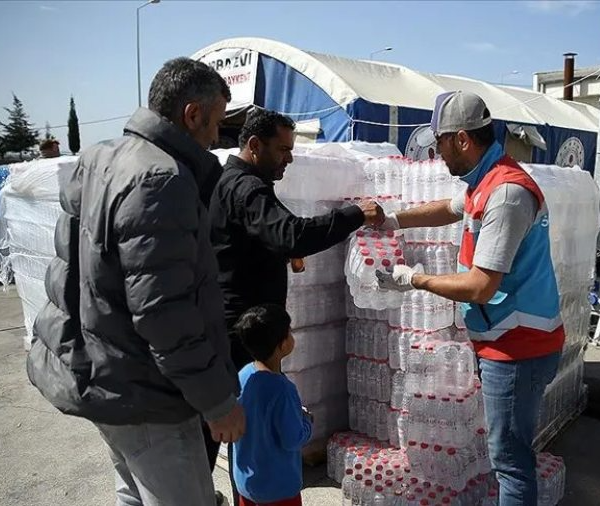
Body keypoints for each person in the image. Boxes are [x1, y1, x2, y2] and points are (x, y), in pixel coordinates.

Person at [26, 57, 244, 506]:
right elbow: (165, 314)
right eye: (216, 123)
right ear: (192, 114)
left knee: (134, 494)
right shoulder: (162, 179)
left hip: (107, 377)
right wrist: (217, 402)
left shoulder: (102, 157)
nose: (216, 137)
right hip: (147, 394)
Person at [376, 91, 565, 505]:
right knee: (508, 454)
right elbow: (448, 207)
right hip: (501, 340)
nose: (436, 151)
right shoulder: (485, 180)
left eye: (439, 142)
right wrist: (392, 220)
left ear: (461, 139)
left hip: (518, 348)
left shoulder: (507, 193)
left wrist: (415, 279)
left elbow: (482, 286)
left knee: (510, 462)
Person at [210, 106, 384, 369]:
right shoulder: (247, 189)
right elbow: (292, 234)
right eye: (283, 150)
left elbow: (272, 234)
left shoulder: (235, 182)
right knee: (251, 404)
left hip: (243, 326)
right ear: (255, 145)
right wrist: (355, 215)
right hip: (244, 333)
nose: (289, 159)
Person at [231, 304, 312, 506]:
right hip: (278, 490)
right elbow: (292, 439)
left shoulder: (242, 376)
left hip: (246, 484)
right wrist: (307, 422)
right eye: (289, 332)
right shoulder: (283, 390)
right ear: (281, 345)